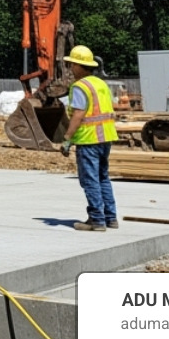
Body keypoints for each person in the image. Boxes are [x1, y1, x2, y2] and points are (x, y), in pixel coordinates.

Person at [59, 45, 118, 231]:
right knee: (103, 178)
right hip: (105, 137)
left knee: (90, 180)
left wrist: (67, 138)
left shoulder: (80, 86)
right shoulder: (100, 84)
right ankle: (111, 218)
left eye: (72, 65)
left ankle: (96, 220)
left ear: (80, 66)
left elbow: (78, 114)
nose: (70, 69)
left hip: (88, 139)